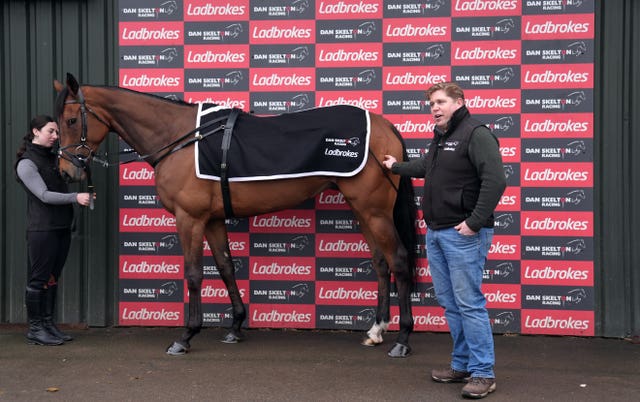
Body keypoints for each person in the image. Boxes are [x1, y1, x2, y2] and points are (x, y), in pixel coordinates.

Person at [383, 82, 506, 399]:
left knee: (469, 305)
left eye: (440, 102)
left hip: (463, 234)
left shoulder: (476, 133)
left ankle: (483, 373)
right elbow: (427, 167)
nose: (434, 108)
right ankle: (462, 365)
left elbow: (496, 180)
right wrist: (395, 167)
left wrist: (474, 222)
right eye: (431, 104)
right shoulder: (443, 136)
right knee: (451, 305)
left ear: (459, 102)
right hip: (437, 232)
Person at [15, 115, 93, 346]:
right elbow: (44, 195)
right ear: (35, 131)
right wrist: (75, 197)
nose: (55, 137)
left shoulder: (54, 159)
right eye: (51, 131)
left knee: (51, 279)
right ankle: (36, 329)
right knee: (38, 280)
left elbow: (69, 179)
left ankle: (48, 324)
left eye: (57, 133)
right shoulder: (26, 163)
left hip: (61, 228)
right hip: (42, 230)